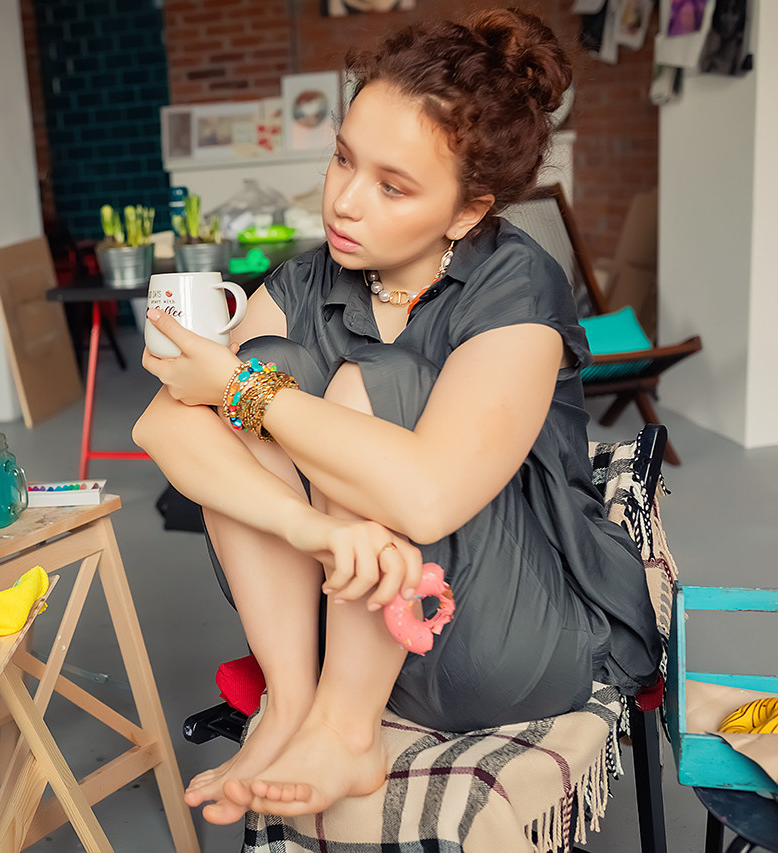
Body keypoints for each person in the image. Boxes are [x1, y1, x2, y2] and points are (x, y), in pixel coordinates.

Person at [132, 9, 661, 826]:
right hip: (351, 599)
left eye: (392, 185)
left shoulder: (516, 287)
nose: (343, 201)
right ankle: (296, 703)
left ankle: (349, 731)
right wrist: (315, 530)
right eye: (343, 158)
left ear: (464, 211)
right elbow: (162, 429)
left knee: (358, 381)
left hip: (500, 629)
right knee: (273, 365)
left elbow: (424, 500)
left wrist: (240, 389)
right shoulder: (308, 281)